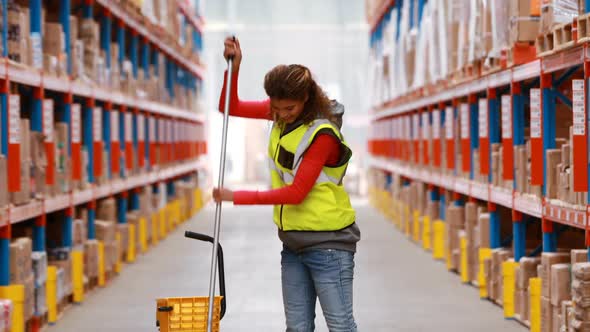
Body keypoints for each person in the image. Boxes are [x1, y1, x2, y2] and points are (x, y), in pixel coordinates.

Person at [214, 36, 360, 332]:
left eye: (288, 108)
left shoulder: (322, 135)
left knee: (341, 327)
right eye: (276, 108)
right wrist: (234, 67)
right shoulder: (282, 114)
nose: (280, 114)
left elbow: (296, 194)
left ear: (306, 98)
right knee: (296, 328)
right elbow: (229, 107)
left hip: (329, 245)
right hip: (293, 243)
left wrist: (236, 196)